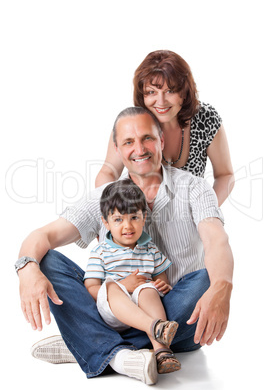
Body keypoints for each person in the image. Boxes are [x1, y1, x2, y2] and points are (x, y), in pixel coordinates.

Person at [16, 107, 234, 385]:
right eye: (128, 142)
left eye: (147, 138)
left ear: (161, 141)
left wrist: (222, 287)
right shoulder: (104, 198)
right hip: (115, 307)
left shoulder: (194, 188)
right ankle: (113, 350)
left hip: (174, 312)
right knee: (45, 261)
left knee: (207, 279)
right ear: (117, 150)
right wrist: (26, 268)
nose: (139, 149)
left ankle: (87, 341)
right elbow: (43, 235)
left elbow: (217, 239)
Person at [95, 50, 234, 206]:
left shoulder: (206, 119)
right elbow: (108, 172)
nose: (160, 101)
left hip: (189, 222)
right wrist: (113, 210)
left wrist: (204, 211)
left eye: (170, 91)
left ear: (184, 92)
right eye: (151, 92)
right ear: (142, 95)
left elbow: (225, 175)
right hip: (141, 221)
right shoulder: (130, 122)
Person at [84, 179, 181, 374]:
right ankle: (155, 328)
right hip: (114, 313)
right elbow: (91, 287)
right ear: (106, 222)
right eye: (118, 219)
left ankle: (162, 351)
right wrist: (122, 285)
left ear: (144, 217)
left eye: (134, 217)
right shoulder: (100, 251)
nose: (127, 226)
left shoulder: (150, 249)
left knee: (147, 288)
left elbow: (162, 278)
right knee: (111, 287)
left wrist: (161, 285)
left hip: (143, 307)